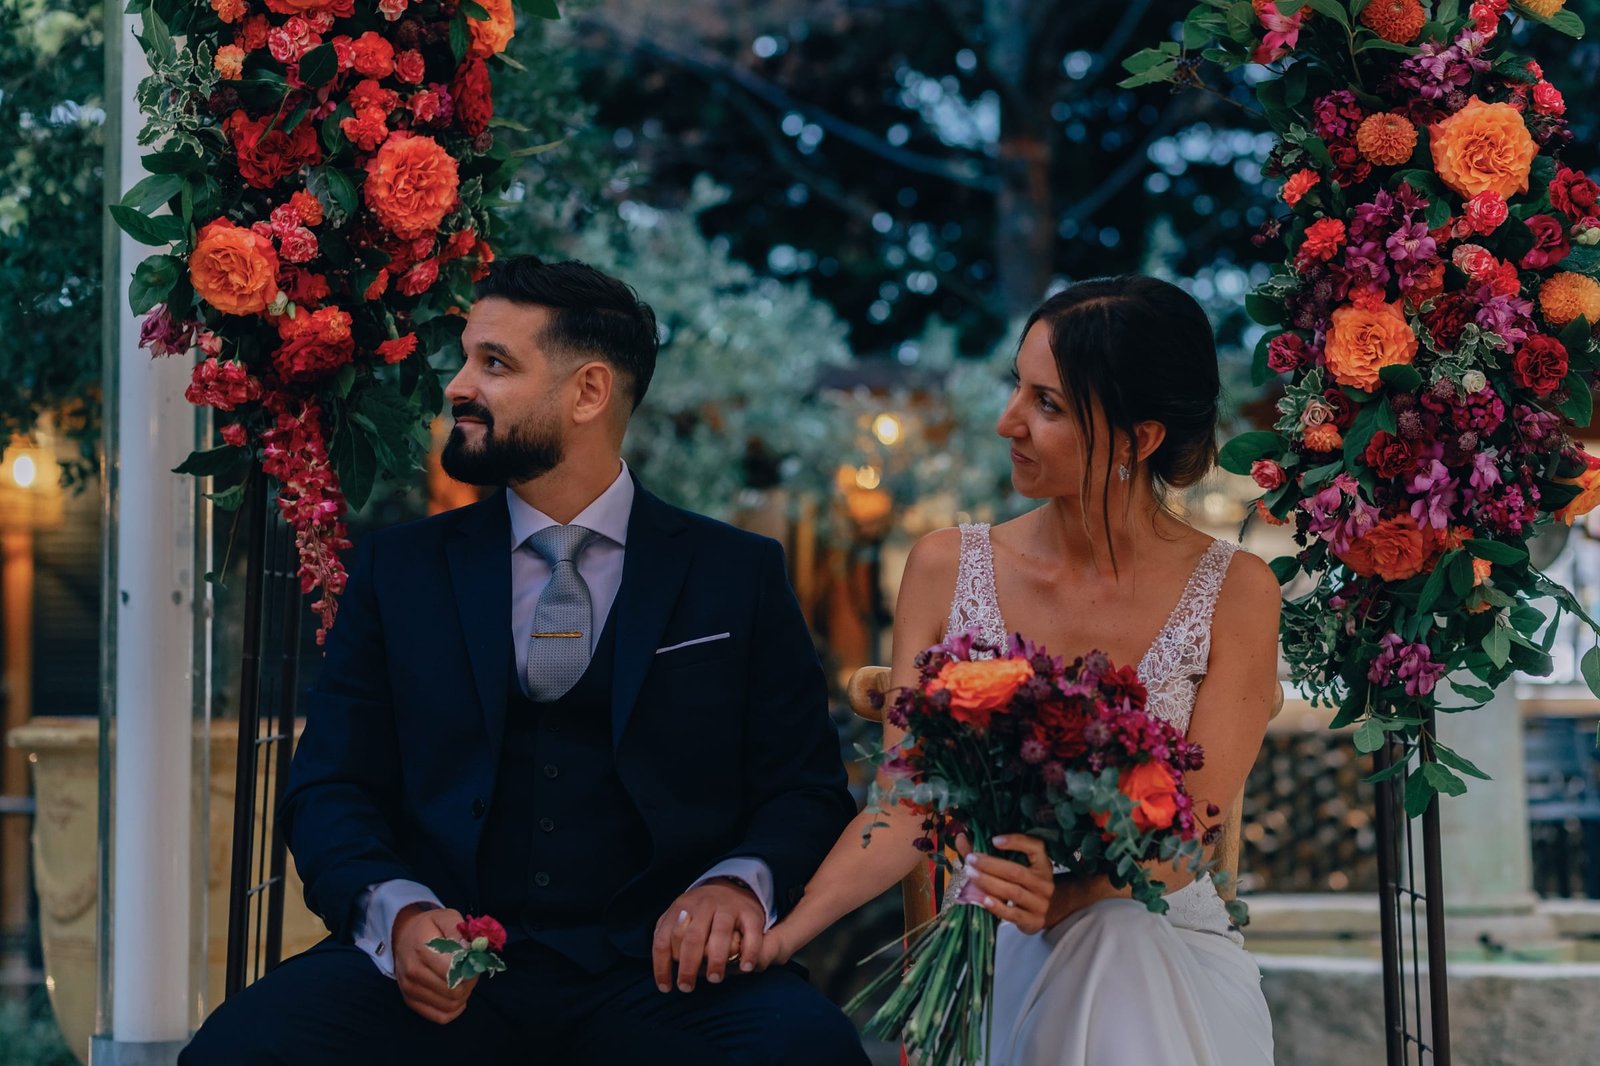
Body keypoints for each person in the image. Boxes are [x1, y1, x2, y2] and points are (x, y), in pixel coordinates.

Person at [182, 256, 867, 1065]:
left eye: (494, 364)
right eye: (468, 358)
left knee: (810, 1053)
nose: (458, 387)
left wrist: (736, 882)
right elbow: (330, 787)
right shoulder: (399, 571)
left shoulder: (736, 574)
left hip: (658, 975)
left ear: (588, 392)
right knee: (240, 1052)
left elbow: (805, 789)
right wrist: (398, 914)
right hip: (448, 974)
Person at [758, 276, 1279, 1065]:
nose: (1009, 423)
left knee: (1114, 932)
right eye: (1017, 389)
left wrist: (1065, 899)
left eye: (1049, 405)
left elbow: (1189, 839)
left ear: (1138, 440)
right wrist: (785, 932)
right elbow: (905, 804)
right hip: (996, 937)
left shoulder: (1238, 591)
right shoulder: (944, 567)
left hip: (1167, 935)